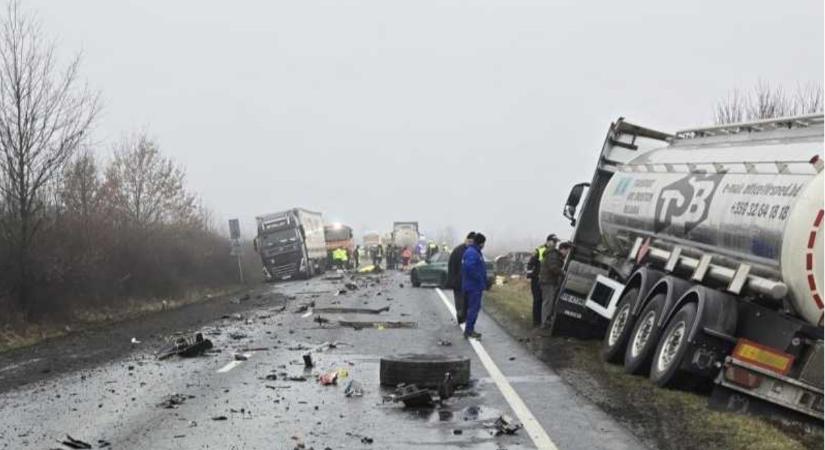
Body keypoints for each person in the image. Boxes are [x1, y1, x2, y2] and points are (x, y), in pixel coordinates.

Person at [461, 233, 487, 339]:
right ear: (481, 243)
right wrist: (479, 279)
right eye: (484, 243)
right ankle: (469, 331)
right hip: (473, 286)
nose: (484, 245)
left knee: (473, 308)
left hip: (472, 285)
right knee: (473, 308)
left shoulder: (474, 251)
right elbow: (470, 268)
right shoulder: (473, 253)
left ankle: (470, 329)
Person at [540, 240, 571, 328]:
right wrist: (563, 272)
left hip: (548, 281)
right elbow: (553, 267)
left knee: (549, 302)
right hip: (548, 281)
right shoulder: (553, 255)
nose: (567, 254)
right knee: (548, 302)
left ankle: (546, 321)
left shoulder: (555, 255)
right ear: (563, 249)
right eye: (567, 251)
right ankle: (544, 322)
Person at [527, 234, 557, 326]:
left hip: (543, 279)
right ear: (548, 241)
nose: (555, 244)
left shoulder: (552, 252)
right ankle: (536, 321)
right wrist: (531, 275)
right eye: (554, 241)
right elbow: (530, 263)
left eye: (556, 242)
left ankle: (541, 320)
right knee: (537, 299)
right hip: (537, 279)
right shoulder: (540, 250)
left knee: (543, 300)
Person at [447, 231, 476, 324]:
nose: (471, 244)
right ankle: (460, 315)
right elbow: (451, 266)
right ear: (466, 240)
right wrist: (452, 280)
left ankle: (465, 316)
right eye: (469, 241)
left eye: (473, 242)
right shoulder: (457, 251)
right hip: (459, 282)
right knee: (459, 301)